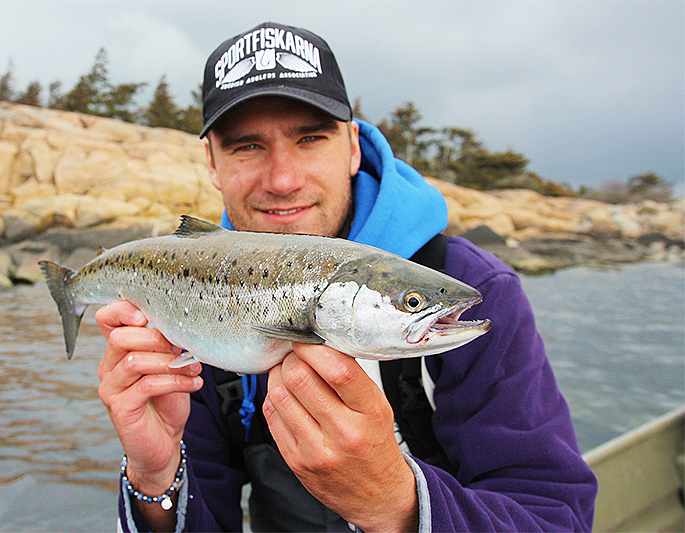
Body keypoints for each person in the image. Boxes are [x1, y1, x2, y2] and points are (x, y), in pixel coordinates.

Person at [95, 22, 597, 532]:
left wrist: (397, 505)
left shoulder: (479, 288)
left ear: (353, 147)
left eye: (310, 138)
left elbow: (556, 517)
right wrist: (156, 478)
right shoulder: (185, 297)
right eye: (247, 146)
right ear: (212, 164)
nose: (283, 180)